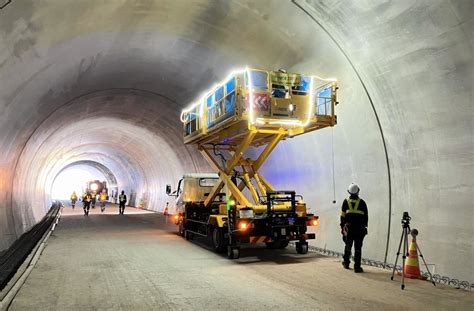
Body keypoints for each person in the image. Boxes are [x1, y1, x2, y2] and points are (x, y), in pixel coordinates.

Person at [340, 183, 368, 273]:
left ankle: (346, 263)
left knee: (348, 245)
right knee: (358, 247)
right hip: (359, 228)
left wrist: (342, 227)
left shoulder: (345, 201)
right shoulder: (362, 202)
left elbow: (342, 216)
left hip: (349, 228)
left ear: (349, 192)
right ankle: (357, 267)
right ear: (358, 191)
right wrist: (364, 227)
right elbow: (366, 217)